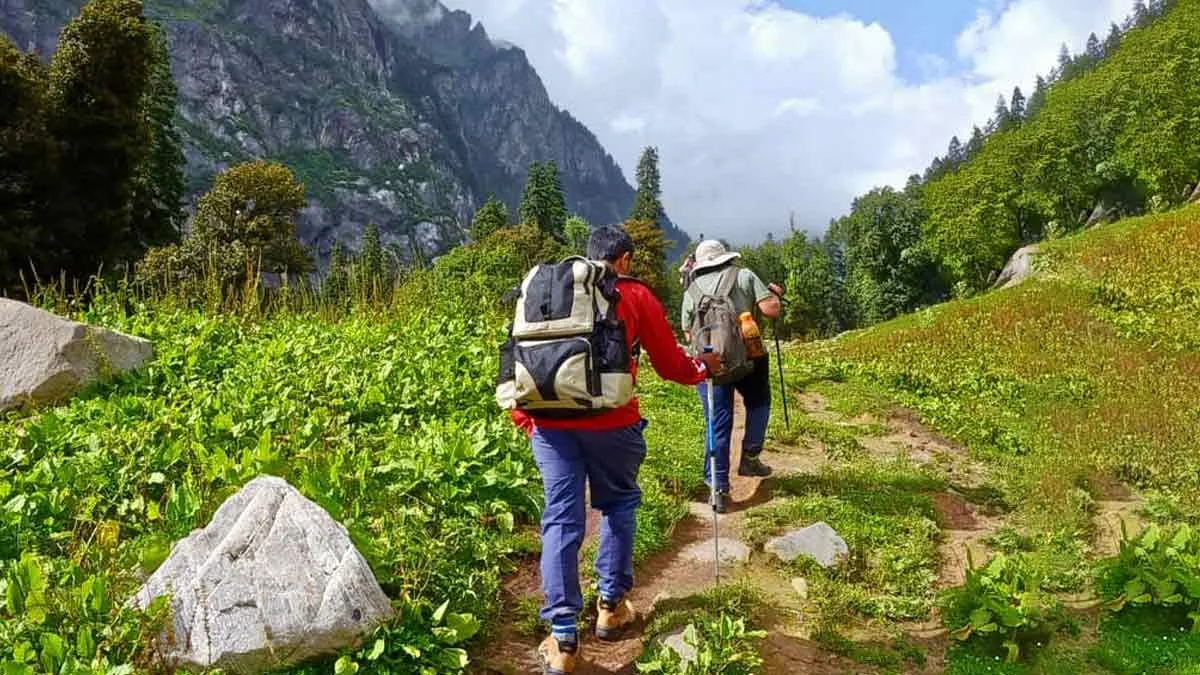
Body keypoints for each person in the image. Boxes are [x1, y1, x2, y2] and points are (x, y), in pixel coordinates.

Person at [511, 226, 723, 675]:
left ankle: (563, 638)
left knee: (560, 520)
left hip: (549, 426)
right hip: (613, 423)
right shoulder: (633, 295)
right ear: (623, 260)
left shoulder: (546, 291)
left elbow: (523, 358)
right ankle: (611, 606)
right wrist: (704, 366)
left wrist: (529, 420)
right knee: (618, 504)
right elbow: (671, 365)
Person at [681, 239, 783, 513]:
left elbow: (688, 333)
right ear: (726, 257)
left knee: (717, 420)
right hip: (749, 357)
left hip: (711, 362)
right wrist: (775, 295)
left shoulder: (692, 287)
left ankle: (717, 486)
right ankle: (750, 456)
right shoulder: (744, 275)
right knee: (759, 402)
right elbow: (769, 310)